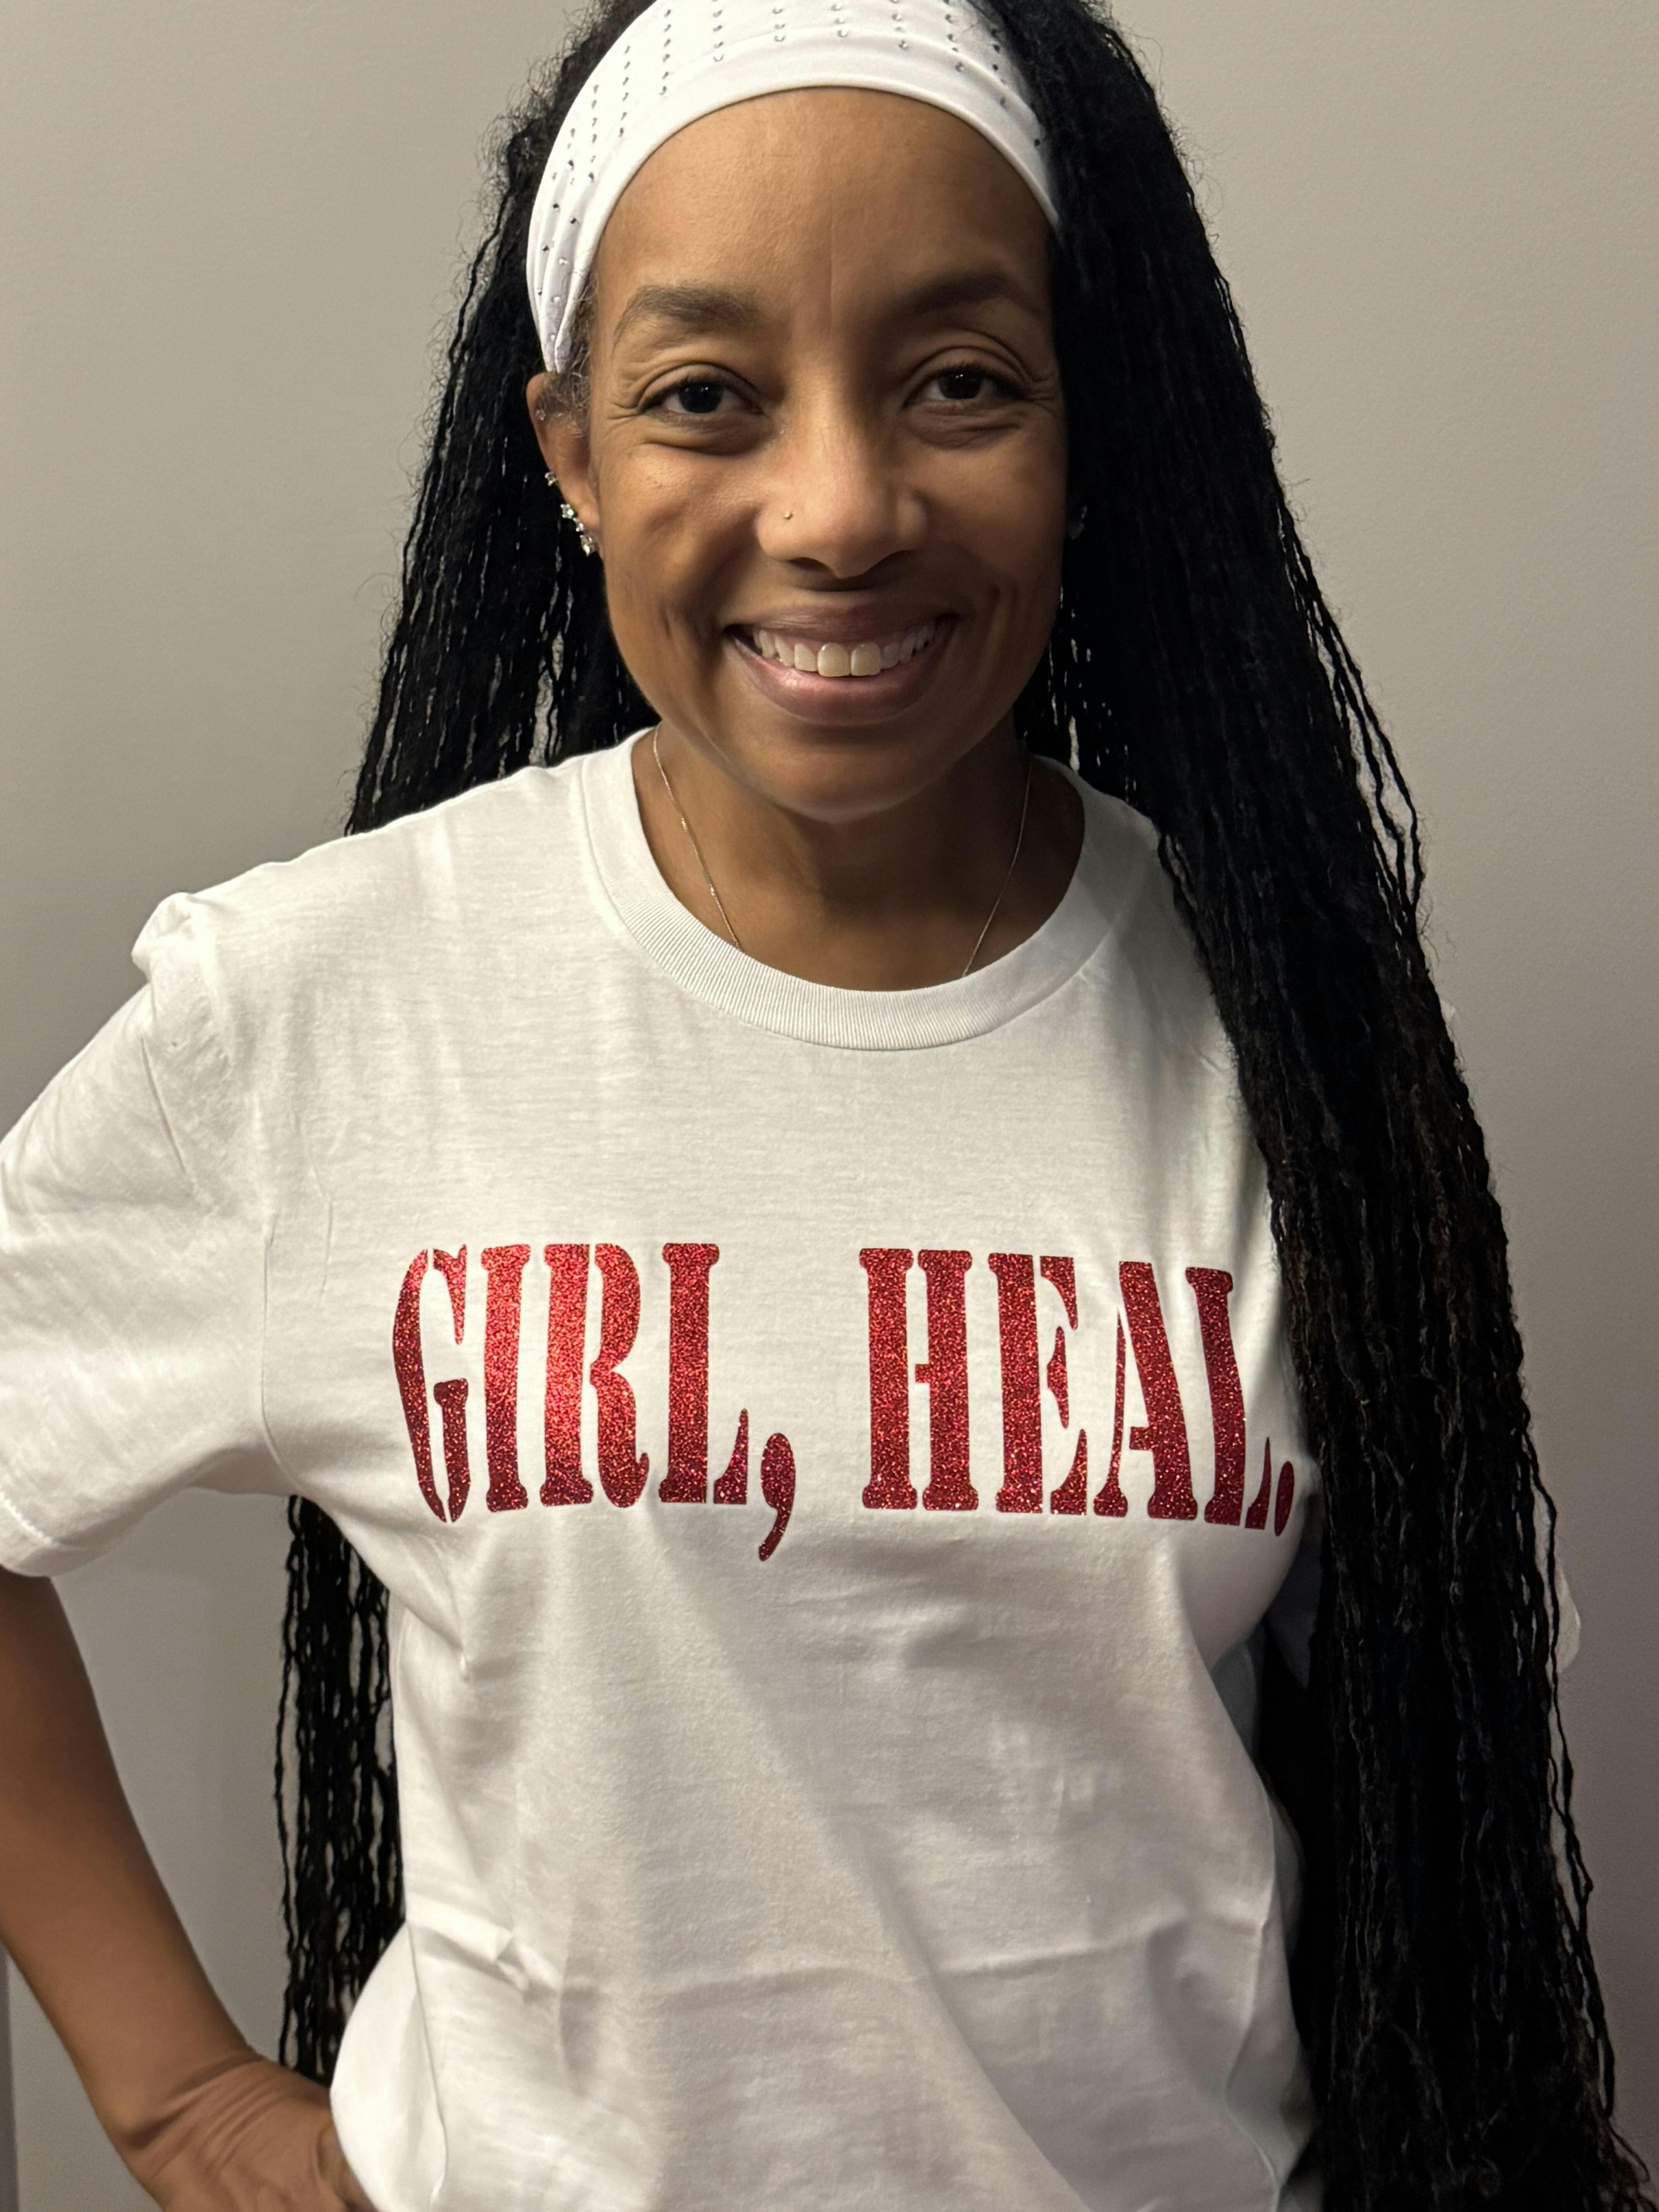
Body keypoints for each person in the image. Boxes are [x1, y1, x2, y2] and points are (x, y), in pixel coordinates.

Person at [0, 0, 1646, 2205]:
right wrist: (179, 2098)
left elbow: (1422, 1732)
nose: (844, 508)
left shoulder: (1292, 1036)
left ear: (1086, 424)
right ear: (569, 452)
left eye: (961, 380)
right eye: (705, 395)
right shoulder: (334, 1002)